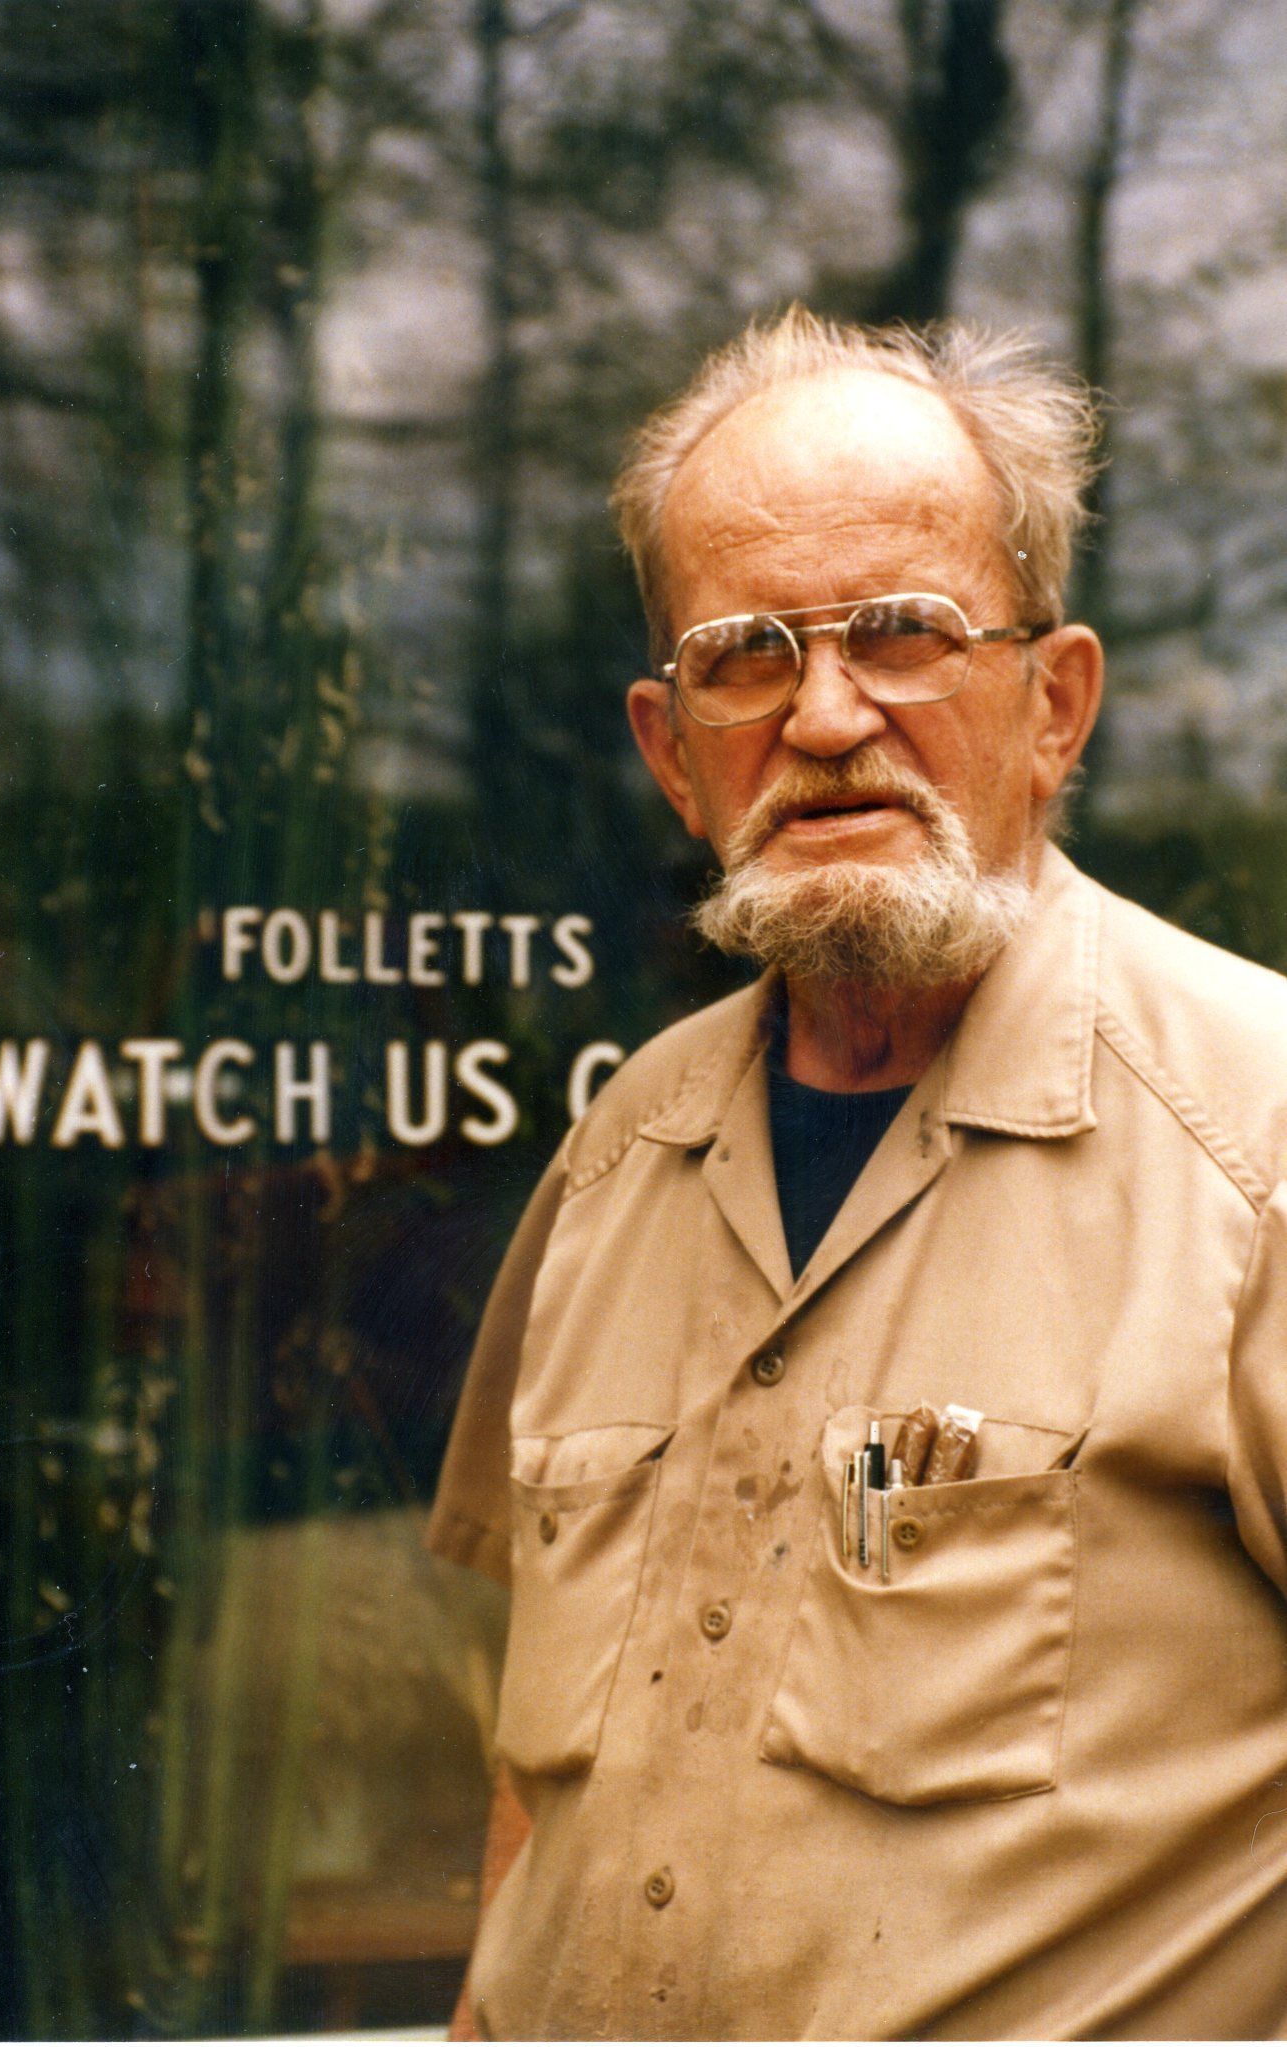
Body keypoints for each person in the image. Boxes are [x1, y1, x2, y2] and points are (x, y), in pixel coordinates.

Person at [428, 306, 1287, 2040]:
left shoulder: (1252, 1141)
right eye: (744, 657)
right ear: (672, 751)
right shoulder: (617, 1154)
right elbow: (542, 1786)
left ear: (1053, 705)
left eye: (903, 635)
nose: (825, 717)